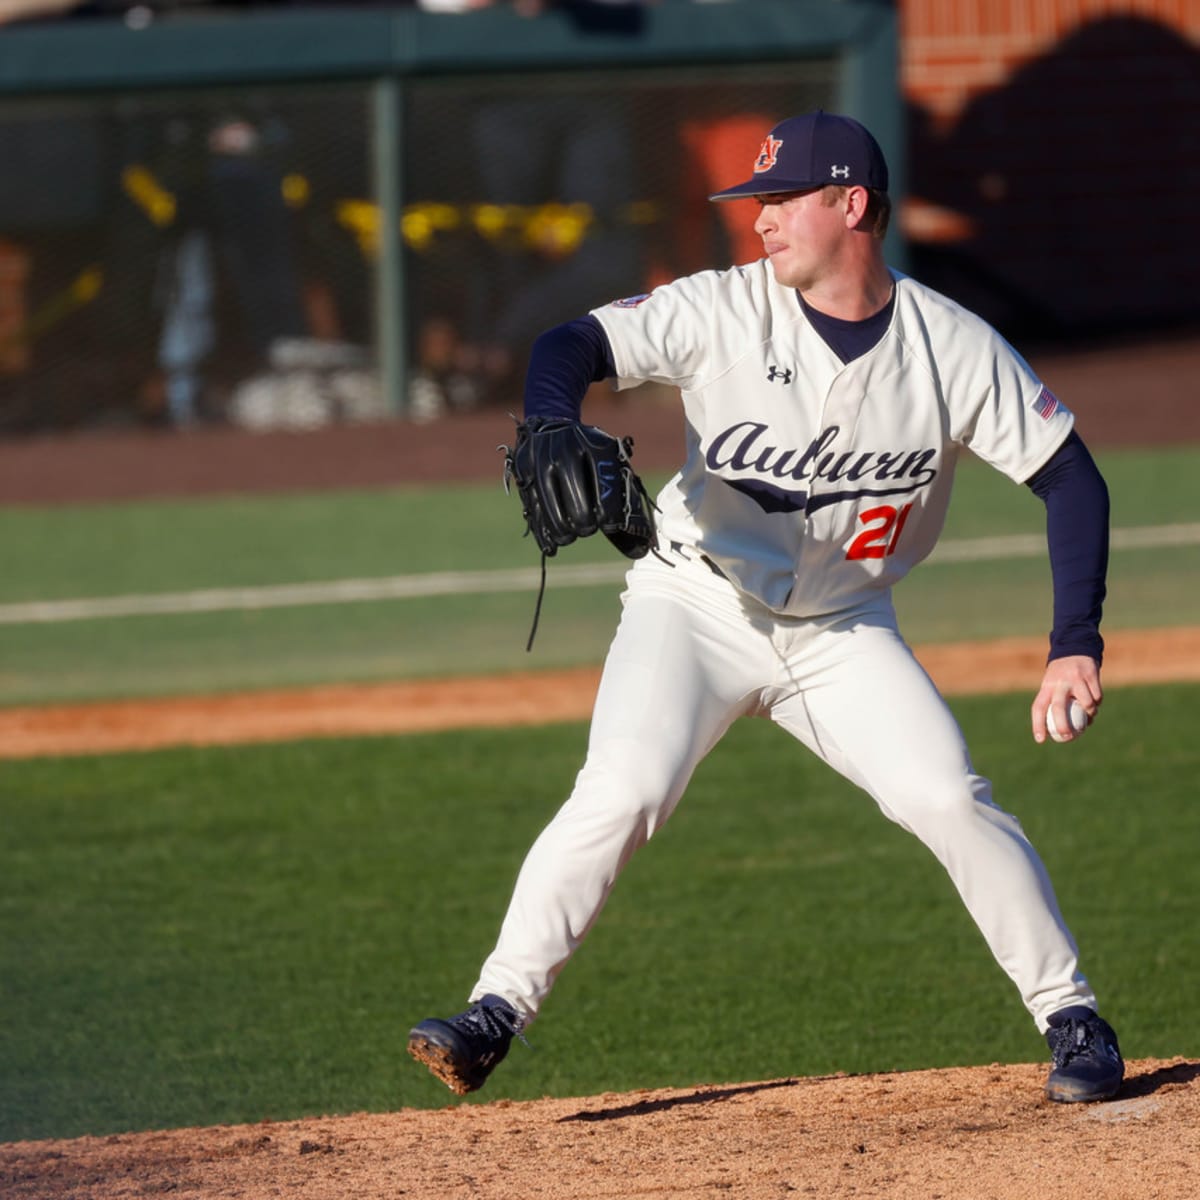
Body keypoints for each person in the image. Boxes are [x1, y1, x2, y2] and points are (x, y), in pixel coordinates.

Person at [408, 111, 1125, 1105]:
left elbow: (1070, 478)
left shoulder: (948, 345)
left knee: (948, 796)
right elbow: (570, 343)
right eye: (757, 203)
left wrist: (1074, 643)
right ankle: (492, 1013)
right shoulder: (722, 309)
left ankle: (1072, 1017)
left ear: (851, 205)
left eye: (782, 200)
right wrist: (552, 419)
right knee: (623, 788)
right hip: (693, 605)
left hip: (843, 631)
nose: (761, 221)